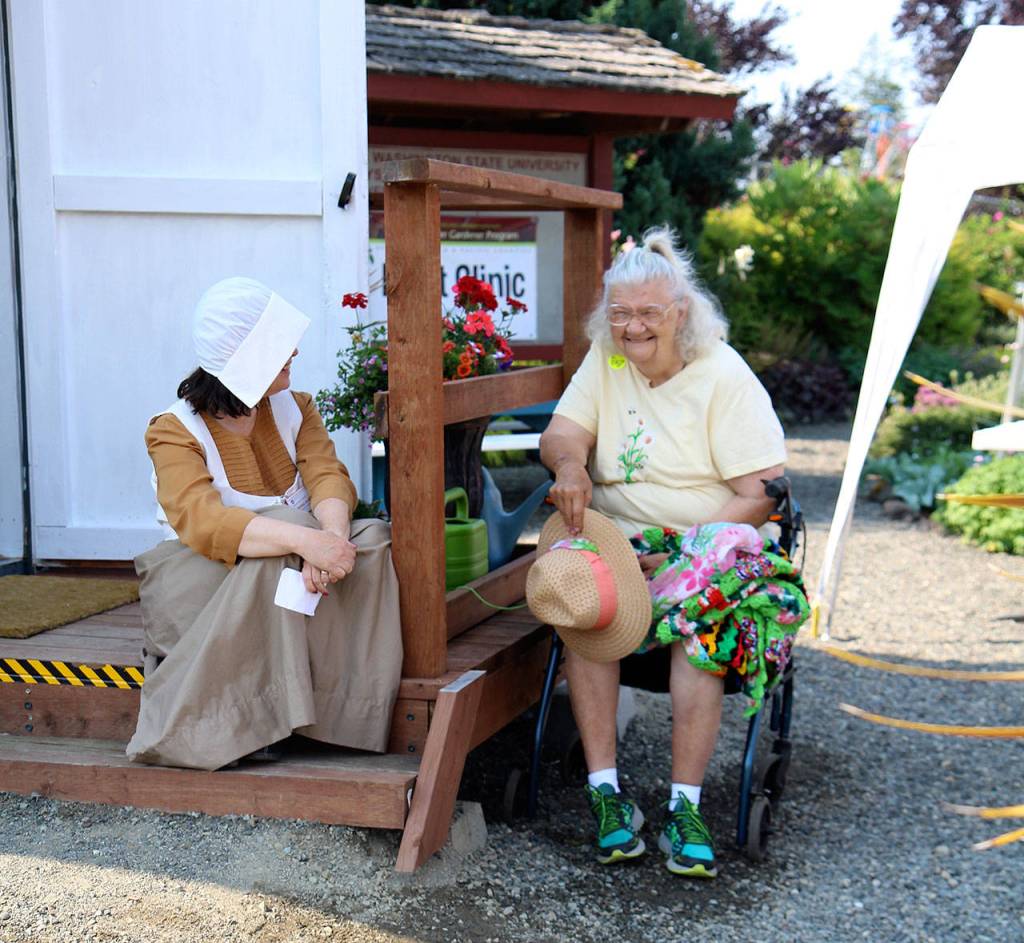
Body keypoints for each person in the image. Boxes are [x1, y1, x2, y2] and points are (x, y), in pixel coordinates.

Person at [536, 227, 806, 878]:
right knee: (585, 607)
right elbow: (561, 433)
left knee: (700, 629)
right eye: (621, 313)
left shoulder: (722, 375)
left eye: (648, 314)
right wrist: (571, 466)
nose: (632, 329)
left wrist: (683, 552)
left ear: (679, 312)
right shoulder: (607, 358)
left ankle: (685, 809)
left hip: (709, 545)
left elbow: (762, 494)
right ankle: (606, 794)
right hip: (624, 543)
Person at [127, 277, 402, 771]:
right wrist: (306, 541)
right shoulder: (172, 431)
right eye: (279, 347)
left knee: (373, 540)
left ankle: (334, 713)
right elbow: (205, 522)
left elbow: (328, 477)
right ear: (242, 361)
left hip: (289, 570)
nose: (294, 351)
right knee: (282, 535)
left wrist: (333, 540)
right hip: (202, 582)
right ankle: (239, 719)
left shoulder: (297, 407)